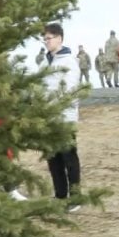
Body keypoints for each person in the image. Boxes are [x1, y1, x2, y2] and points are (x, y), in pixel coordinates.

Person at [37, 23, 82, 209]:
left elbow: (69, 91)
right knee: (53, 159)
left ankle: (76, 198)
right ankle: (60, 195)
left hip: (64, 117)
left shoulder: (69, 61)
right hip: (47, 118)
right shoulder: (44, 62)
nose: (47, 42)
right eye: (45, 39)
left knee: (68, 158)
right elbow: (38, 87)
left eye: (49, 38)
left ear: (60, 38)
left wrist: (54, 106)